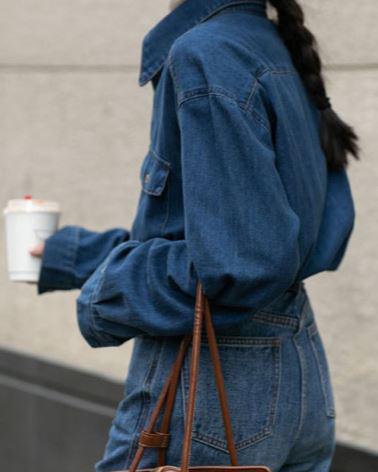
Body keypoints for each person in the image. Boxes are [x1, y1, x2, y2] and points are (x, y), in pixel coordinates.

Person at [31, 0, 359, 470]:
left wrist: (105, 294)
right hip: (297, 372)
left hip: (212, 378)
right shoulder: (267, 42)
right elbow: (230, 239)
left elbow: (239, 264)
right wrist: (68, 257)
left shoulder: (206, 52)